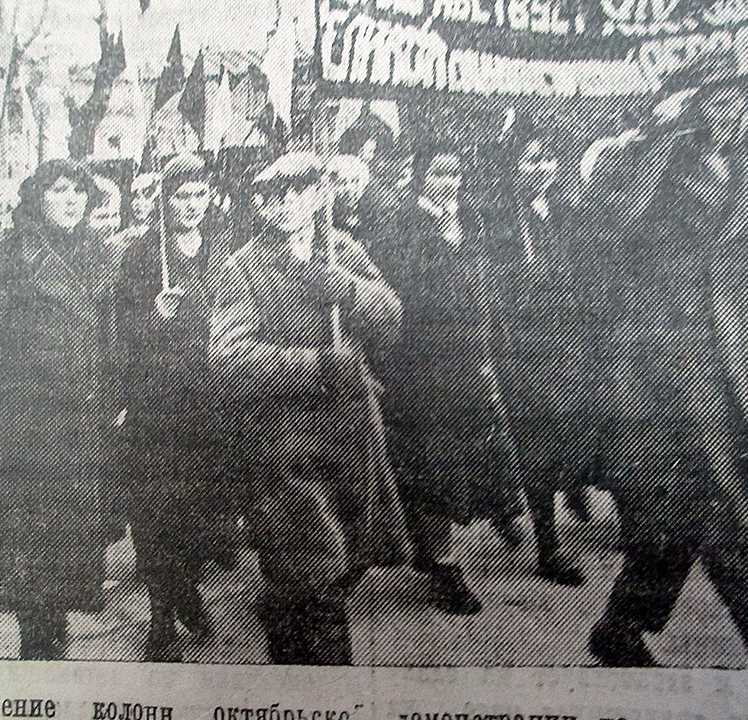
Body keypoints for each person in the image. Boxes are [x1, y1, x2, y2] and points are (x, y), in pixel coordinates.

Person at [578, 69, 748, 670]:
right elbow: (610, 224)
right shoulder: (647, 168)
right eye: (718, 103)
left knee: (678, 517)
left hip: (735, 365)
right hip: (659, 370)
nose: (733, 114)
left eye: (740, 102)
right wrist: (660, 137)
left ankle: (618, 628)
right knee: (726, 514)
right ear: (693, 108)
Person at [209, 152, 409, 664]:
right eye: (273, 196)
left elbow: (392, 317)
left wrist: (346, 289)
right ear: (260, 204)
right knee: (317, 575)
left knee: (334, 568)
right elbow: (228, 357)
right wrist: (316, 364)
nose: (286, 204)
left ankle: (287, 648)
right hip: (284, 443)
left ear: (320, 195)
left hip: (350, 436)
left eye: (298, 191)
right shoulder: (241, 267)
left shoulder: (342, 251)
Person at [0, 159, 121, 660]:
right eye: (60, 190)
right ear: (38, 196)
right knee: (26, 528)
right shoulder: (11, 251)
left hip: (81, 415)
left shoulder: (101, 252)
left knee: (70, 529)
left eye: (79, 191)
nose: (71, 200)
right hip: (24, 416)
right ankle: (36, 633)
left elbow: (113, 335)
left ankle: (56, 621)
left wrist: (117, 397)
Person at [373, 142, 519, 615]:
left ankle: (455, 540)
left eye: (454, 173)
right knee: (431, 465)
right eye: (438, 173)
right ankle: (441, 563)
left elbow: (486, 285)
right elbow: (404, 295)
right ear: (420, 177)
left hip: (466, 364)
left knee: (463, 459)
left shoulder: (469, 222)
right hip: (422, 368)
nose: (448, 182)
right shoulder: (402, 226)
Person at [115, 154, 238, 661]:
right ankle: (161, 617)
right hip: (157, 404)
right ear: (166, 201)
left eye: (199, 195)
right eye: (181, 196)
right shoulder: (144, 254)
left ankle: (186, 590)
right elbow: (120, 332)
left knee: (198, 509)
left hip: (209, 402)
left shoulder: (223, 250)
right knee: (156, 510)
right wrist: (155, 317)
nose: (191, 205)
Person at [488, 127, 591, 587]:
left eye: (548, 159)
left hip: (568, 345)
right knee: (536, 445)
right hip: (524, 347)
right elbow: (497, 288)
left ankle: (547, 500)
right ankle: (548, 547)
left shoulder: (565, 213)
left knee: (571, 436)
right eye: (530, 160)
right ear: (512, 168)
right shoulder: (500, 220)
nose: (541, 169)